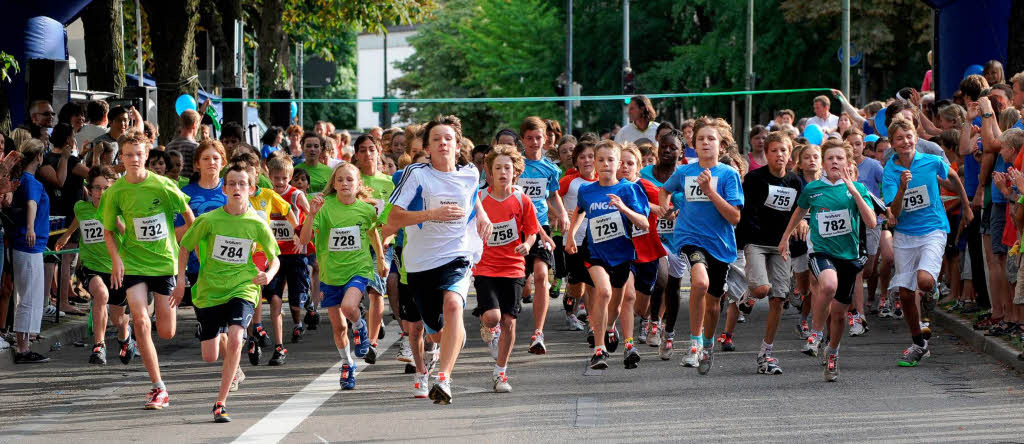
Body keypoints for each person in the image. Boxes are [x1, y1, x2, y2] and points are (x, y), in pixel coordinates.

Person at [383, 115, 492, 404]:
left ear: (458, 146)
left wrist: (481, 214)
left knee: (455, 303)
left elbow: (471, 195)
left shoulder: (470, 173)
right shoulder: (416, 174)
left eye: (448, 138)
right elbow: (392, 219)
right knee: (436, 335)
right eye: (436, 139)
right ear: (427, 148)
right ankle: (448, 342)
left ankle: (443, 379)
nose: (443, 143)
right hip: (419, 264)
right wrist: (432, 214)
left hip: (456, 254)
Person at [173, 161, 281, 423]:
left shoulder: (256, 224)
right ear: (223, 188)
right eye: (231, 183)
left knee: (235, 337)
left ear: (251, 189)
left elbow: (275, 257)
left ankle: (220, 403)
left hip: (242, 288)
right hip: (208, 292)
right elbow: (185, 247)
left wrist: (268, 273)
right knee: (210, 355)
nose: (236, 188)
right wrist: (179, 282)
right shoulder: (209, 220)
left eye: (242, 184)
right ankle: (234, 363)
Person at [99, 129, 195, 409]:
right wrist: (116, 259)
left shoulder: (163, 186)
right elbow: (107, 231)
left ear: (147, 154)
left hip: (164, 263)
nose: (134, 159)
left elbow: (191, 219)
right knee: (141, 320)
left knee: (166, 332)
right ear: (122, 156)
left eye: (139, 154)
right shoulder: (115, 191)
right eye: (128, 155)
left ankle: (140, 328)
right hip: (134, 264)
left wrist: (184, 252)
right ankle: (158, 387)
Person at [779, 139, 877, 381]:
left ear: (847, 163)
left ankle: (832, 352)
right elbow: (799, 212)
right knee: (828, 284)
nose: (835, 162)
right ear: (823, 163)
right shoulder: (812, 189)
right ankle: (815, 332)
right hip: (821, 252)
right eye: (830, 158)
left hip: (849, 257)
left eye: (840, 158)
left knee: (841, 314)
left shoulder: (857, 189)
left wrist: (854, 191)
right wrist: (785, 238)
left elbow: (872, 222)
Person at [882, 117, 972, 367]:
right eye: (899, 138)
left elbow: (953, 175)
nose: (905, 142)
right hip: (905, 234)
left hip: (933, 229)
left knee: (923, 281)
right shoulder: (890, 170)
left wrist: (965, 205)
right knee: (906, 294)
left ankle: (933, 288)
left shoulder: (931, 161)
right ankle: (918, 343)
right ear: (893, 143)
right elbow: (895, 211)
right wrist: (901, 188)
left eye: (909, 136)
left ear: (916, 138)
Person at [660, 117, 744, 375]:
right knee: (699, 282)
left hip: (720, 243)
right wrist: (665, 206)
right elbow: (665, 189)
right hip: (690, 238)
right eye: (701, 139)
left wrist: (710, 191)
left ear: (721, 145)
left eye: (711, 139)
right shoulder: (684, 172)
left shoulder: (729, 175)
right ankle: (694, 344)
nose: (706, 143)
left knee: (714, 302)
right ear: (693, 145)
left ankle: (708, 343)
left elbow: (734, 217)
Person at [297, 163, 387, 390]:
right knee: (338, 328)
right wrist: (311, 214)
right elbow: (305, 239)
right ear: (334, 184)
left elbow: (373, 233)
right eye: (340, 180)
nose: (345, 184)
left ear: (358, 184)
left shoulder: (366, 210)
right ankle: (347, 365)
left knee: (349, 307)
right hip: (330, 274)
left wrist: (380, 259)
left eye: (350, 180)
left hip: (358, 268)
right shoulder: (324, 207)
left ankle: (360, 326)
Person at [565, 140, 650, 370]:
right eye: (600, 160)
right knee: (602, 292)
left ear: (619, 163)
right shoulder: (587, 190)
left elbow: (644, 224)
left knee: (616, 305)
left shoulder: (628, 189)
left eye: (610, 160)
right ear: (594, 162)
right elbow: (580, 211)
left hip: (622, 255)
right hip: (595, 253)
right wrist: (571, 234)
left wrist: (624, 209)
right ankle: (599, 349)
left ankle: (611, 327)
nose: (604, 164)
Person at [474, 144, 540, 392]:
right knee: (493, 317)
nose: (503, 172)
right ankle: (488, 325)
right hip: (485, 267)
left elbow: (532, 230)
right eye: (497, 168)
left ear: (515, 172)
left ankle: (500, 373)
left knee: (510, 322)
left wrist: (527, 243)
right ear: (489, 172)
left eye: (507, 168)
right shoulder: (480, 200)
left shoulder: (522, 200)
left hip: (513, 267)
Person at [736, 132, 803, 375]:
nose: (779, 155)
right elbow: (745, 213)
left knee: (778, 299)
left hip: (781, 245)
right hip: (756, 242)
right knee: (761, 289)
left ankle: (766, 353)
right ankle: (748, 295)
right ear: (766, 154)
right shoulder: (754, 178)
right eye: (774, 151)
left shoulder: (796, 182)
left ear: (790, 154)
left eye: (783, 150)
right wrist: (743, 241)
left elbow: (801, 209)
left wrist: (801, 223)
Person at [55, 166, 133, 365]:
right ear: (90, 190)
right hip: (91, 265)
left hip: (117, 269)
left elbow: (130, 238)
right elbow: (78, 221)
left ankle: (125, 336)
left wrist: (116, 221)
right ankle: (99, 345)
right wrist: (66, 236)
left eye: (106, 188)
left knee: (118, 318)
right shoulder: (82, 207)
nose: (101, 193)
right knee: (101, 295)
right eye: (97, 188)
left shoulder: (122, 210)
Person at [515, 116, 567, 355]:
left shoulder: (550, 168)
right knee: (521, 283)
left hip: (542, 228)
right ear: (522, 140)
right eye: (529, 138)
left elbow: (553, 195)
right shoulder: (516, 165)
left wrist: (563, 214)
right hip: (516, 227)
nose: (534, 142)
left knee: (541, 274)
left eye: (539, 138)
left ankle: (538, 333)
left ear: (546, 139)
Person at [616, 142, 666, 367]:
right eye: (621, 163)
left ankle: (646, 319)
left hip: (647, 250)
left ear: (638, 167)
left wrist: (654, 208)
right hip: (622, 252)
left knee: (641, 304)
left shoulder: (645, 186)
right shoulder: (610, 187)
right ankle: (627, 343)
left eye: (630, 163)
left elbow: (669, 208)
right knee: (628, 296)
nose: (625, 167)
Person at [640, 131, 688, 359]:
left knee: (674, 286)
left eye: (673, 147)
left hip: (678, 237)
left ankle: (669, 333)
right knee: (661, 278)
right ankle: (654, 323)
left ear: (682, 153)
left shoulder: (686, 176)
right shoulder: (645, 174)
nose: (667, 150)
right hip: (652, 235)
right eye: (664, 146)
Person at [38, 123, 90, 315]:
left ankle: (52, 301)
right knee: (65, 260)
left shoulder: (48, 158)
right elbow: (92, 174)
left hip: (54, 213)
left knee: (53, 259)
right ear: (69, 139)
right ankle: (62, 301)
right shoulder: (67, 160)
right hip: (69, 216)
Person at [353, 134, 396, 364]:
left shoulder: (388, 183)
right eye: (363, 150)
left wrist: (387, 238)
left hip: (382, 242)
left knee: (377, 291)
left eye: (372, 149)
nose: (368, 154)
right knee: (355, 292)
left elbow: (393, 215)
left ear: (378, 151)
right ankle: (360, 326)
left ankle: (371, 342)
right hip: (356, 244)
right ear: (357, 154)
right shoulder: (352, 180)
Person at [263, 155, 312, 356]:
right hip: (273, 254)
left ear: (290, 177)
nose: (280, 183)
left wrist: (303, 235)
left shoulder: (296, 195)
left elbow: (310, 215)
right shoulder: (266, 195)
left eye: (284, 178)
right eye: (276, 178)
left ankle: (298, 321)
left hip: (295, 252)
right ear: (269, 176)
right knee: (274, 294)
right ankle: (279, 333)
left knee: (294, 298)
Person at [10, 139, 51, 363]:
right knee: (28, 296)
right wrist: (31, 227)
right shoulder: (30, 181)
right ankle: (23, 348)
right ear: (38, 157)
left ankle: (23, 344)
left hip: (26, 245)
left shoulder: (21, 180)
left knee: (26, 295)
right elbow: (32, 204)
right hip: (29, 245)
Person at [558, 141, 597, 334]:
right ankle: (570, 311)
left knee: (592, 282)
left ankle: (593, 322)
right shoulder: (569, 182)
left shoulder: (604, 181)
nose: (587, 160)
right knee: (576, 287)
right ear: (576, 162)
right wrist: (563, 213)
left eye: (591, 156)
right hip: (573, 241)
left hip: (597, 242)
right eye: (582, 157)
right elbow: (550, 197)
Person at [165, 110, 201, 178]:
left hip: (170, 185)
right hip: (188, 186)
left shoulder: (169, 146)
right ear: (194, 124)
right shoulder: (195, 147)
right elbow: (197, 172)